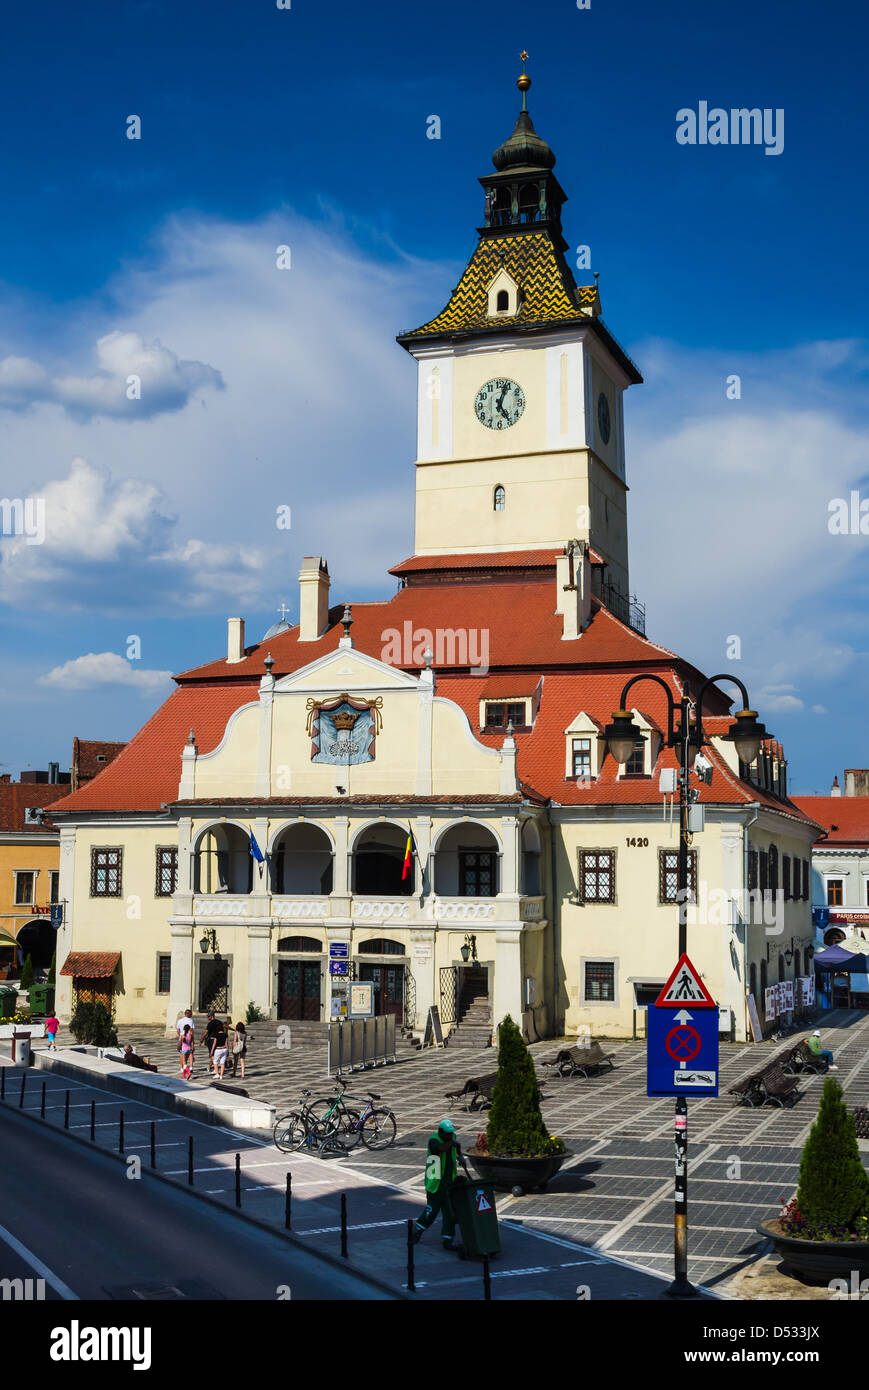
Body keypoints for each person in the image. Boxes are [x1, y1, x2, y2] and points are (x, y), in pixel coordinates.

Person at [413, 1118, 470, 1251]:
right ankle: (417, 1230)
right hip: (435, 1183)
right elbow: (441, 1149)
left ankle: (447, 1241)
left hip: (449, 1182)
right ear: (440, 1132)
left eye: (451, 1133)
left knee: (450, 1213)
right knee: (432, 1211)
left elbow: (455, 1147)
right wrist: (453, 1142)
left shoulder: (452, 1138)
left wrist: (460, 1156)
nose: (450, 1135)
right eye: (448, 1134)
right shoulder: (434, 1140)